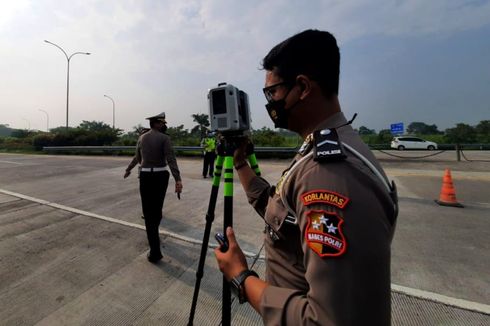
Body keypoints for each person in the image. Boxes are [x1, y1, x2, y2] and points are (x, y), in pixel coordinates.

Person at [214, 30, 398, 325]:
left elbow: (323, 320)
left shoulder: (328, 175)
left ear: (302, 87)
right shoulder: (321, 148)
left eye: (272, 93)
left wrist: (241, 278)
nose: (270, 103)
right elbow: (285, 218)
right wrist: (242, 165)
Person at [126, 112, 183, 263]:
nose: (164, 125)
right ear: (156, 123)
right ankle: (155, 244)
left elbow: (137, 157)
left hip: (145, 176)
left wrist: (129, 168)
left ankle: (154, 248)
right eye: (162, 123)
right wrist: (178, 179)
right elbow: (171, 159)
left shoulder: (142, 137)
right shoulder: (165, 138)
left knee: (148, 212)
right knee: (156, 211)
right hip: (160, 176)